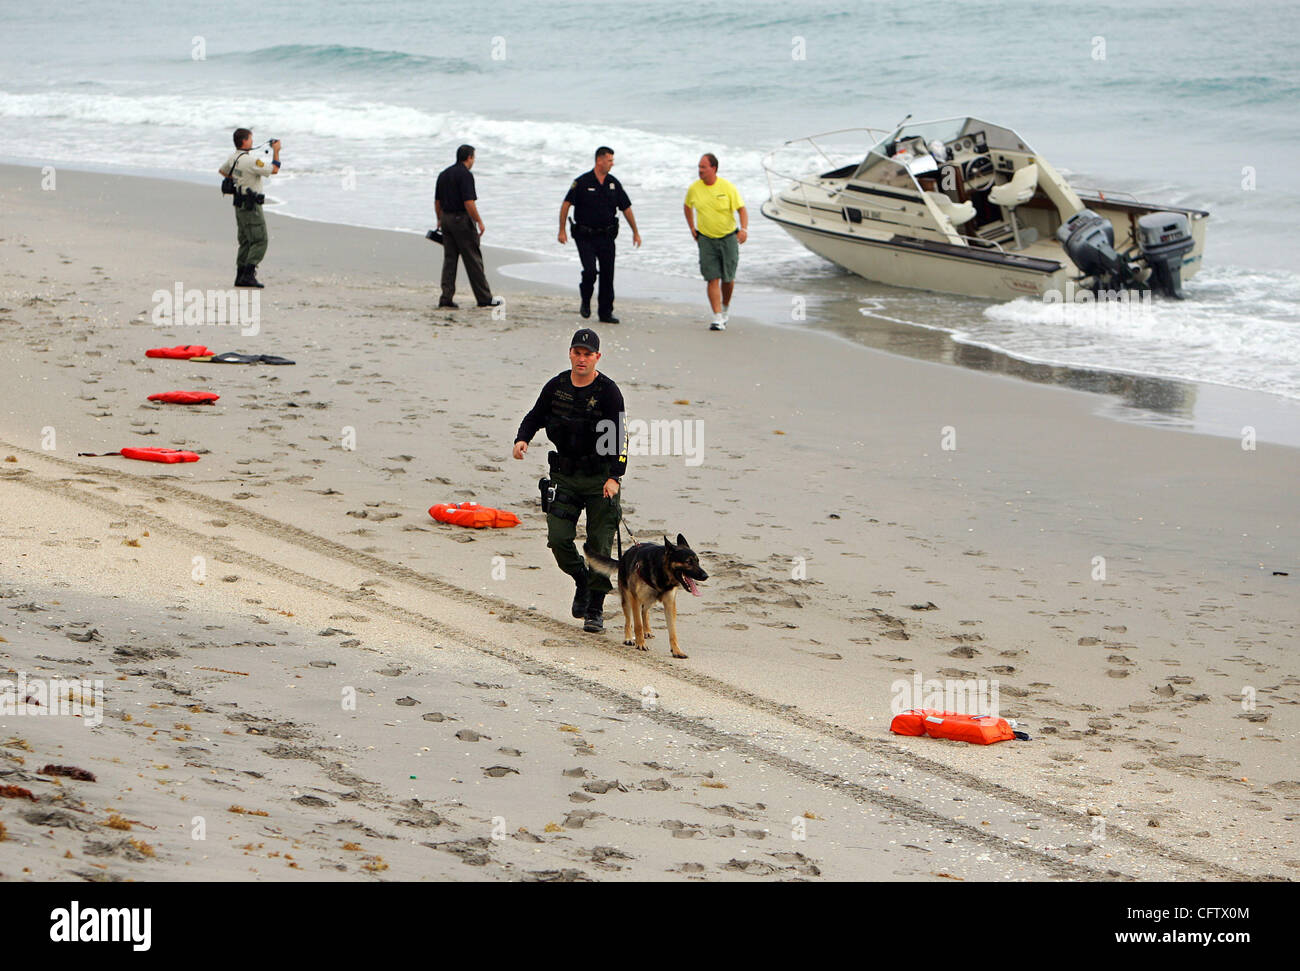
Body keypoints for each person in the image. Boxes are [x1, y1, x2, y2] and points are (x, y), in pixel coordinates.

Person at [513, 328, 627, 633]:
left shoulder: (608, 391)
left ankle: (595, 609)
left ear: (597, 357)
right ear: (570, 354)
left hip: (600, 479)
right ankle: (581, 579)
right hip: (564, 476)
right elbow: (535, 416)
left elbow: (619, 437)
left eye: (588, 354)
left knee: (599, 545)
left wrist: (615, 476)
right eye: (577, 352)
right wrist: (522, 438)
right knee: (559, 539)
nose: (582, 358)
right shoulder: (557, 386)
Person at [558, 146, 641, 324]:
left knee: (607, 275)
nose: (612, 164)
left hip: (607, 236)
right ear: (599, 161)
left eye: (612, 160)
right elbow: (566, 204)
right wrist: (562, 230)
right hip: (585, 235)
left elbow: (626, 207)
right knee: (590, 271)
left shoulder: (613, 183)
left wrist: (635, 231)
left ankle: (605, 312)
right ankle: (586, 299)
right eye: (609, 160)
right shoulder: (582, 182)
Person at [683, 153, 747, 331]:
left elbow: (742, 209)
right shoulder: (694, 189)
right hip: (705, 239)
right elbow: (687, 206)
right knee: (712, 278)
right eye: (699, 167)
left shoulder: (727, 187)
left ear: (714, 168)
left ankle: (725, 307)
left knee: (728, 279)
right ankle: (717, 316)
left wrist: (744, 229)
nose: (700, 171)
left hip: (728, 238)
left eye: (704, 167)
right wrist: (692, 228)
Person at [434, 144, 502, 309]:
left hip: (446, 219)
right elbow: (468, 202)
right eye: (473, 157)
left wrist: (440, 219)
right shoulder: (466, 175)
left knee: (450, 260)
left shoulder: (444, 174)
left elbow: (437, 201)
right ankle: (484, 298)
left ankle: (446, 297)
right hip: (461, 220)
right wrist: (479, 220)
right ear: (469, 157)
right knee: (473, 259)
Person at [218, 128, 281, 289]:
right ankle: (248, 274)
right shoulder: (250, 161)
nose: (252, 141)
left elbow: (223, 171)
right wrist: (276, 151)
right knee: (260, 240)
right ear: (245, 141)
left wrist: (241, 179)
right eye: (251, 139)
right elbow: (274, 169)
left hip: (239, 204)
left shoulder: (234, 158)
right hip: (251, 205)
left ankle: (240, 276)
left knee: (245, 241)